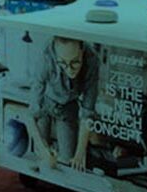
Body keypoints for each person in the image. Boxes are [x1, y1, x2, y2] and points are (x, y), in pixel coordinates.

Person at [29, 37, 100, 171]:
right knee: (39, 154)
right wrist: (43, 149)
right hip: (45, 103)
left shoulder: (92, 60)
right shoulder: (45, 58)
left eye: (75, 62)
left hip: (69, 106)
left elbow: (87, 113)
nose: (69, 69)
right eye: (62, 62)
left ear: (82, 50)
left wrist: (79, 154)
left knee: (68, 160)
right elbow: (31, 115)